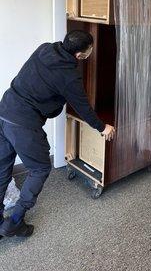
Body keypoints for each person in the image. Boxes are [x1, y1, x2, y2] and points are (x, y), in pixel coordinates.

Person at [0, 30, 115, 238]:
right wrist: (102, 127)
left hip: (5, 109)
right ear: (81, 54)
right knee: (41, 167)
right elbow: (83, 108)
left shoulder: (45, 48)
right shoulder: (69, 76)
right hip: (23, 122)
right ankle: (14, 222)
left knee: (2, 169)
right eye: (89, 49)